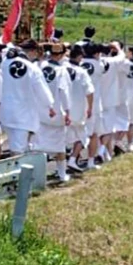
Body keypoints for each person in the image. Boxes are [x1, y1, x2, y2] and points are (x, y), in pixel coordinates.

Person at [0, 39, 54, 154]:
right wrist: (50, 105)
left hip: (6, 110)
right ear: (33, 51)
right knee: (19, 148)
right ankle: (17, 169)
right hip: (23, 113)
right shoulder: (32, 68)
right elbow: (42, 90)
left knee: (15, 143)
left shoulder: (5, 63)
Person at [35, 47, 73, 182]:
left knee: (39, 145)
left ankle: (38, 176)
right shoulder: (62, 71)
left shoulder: (40, 67)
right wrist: (68, 111)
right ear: (62, 55)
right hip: (57, 112)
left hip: (41, 111)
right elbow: (64, 92)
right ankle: (62, 174)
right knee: (59, 145)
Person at [64, 44, 94, 173]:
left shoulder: (62, 68)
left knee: (64, 136)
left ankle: (66, 159)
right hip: (78, 108)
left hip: (63, 108)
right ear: (80, 56)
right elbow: (90, 92)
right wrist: (90, 108)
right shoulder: (81, 72)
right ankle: (72, 159)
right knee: (83, 137)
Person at [100, 41, 130, 160]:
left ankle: (108, 152)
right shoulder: (116, 62)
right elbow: (122, 58)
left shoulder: (98, 62)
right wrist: (118, 48)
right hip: (114, 98)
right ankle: (103, 150)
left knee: (102, 128)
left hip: (99, 99)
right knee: (112, 127)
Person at [79, 42, 105, 170]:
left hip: (79, 102)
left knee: (78, 133)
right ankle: (90, 161)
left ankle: (74, 158)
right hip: (94, 103)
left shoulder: (79, 63)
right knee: (93, 134)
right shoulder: (99, 64)